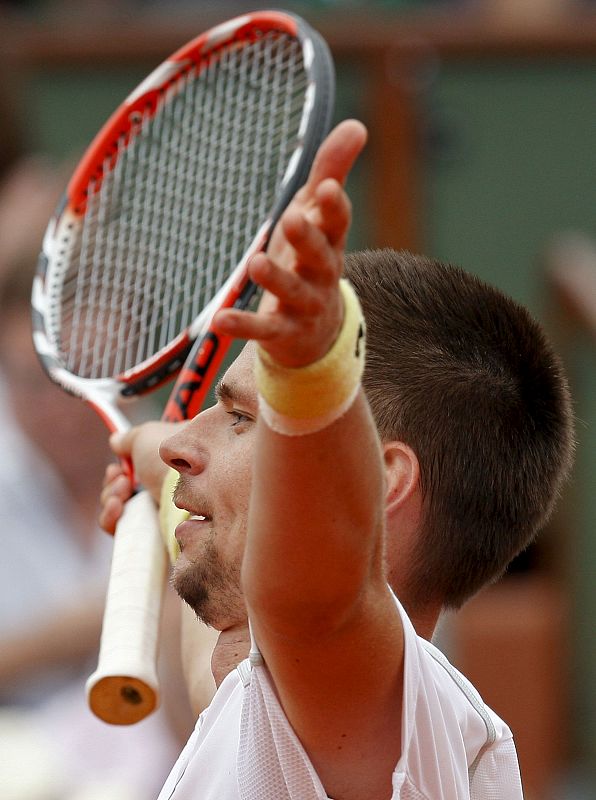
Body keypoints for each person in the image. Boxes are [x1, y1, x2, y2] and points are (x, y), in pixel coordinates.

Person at [99, 119, 574, 799]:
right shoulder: (284, 704)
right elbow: (219, 651)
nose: (184, 443)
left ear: (381, 483)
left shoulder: (357, 688)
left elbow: (313, 595)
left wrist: (312, 383)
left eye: (239, 419)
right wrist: (150, 464)